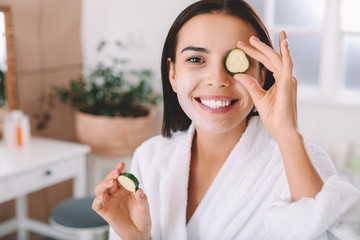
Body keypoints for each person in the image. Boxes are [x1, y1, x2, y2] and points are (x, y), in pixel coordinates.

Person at [92, 1, 360, 239]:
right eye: (196, 59)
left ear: (263, 74)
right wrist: (135, 238)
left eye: (237, 62)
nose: (218, 79)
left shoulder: (304, 161)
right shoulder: (150, 158)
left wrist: (287, 132)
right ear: (172, 73)